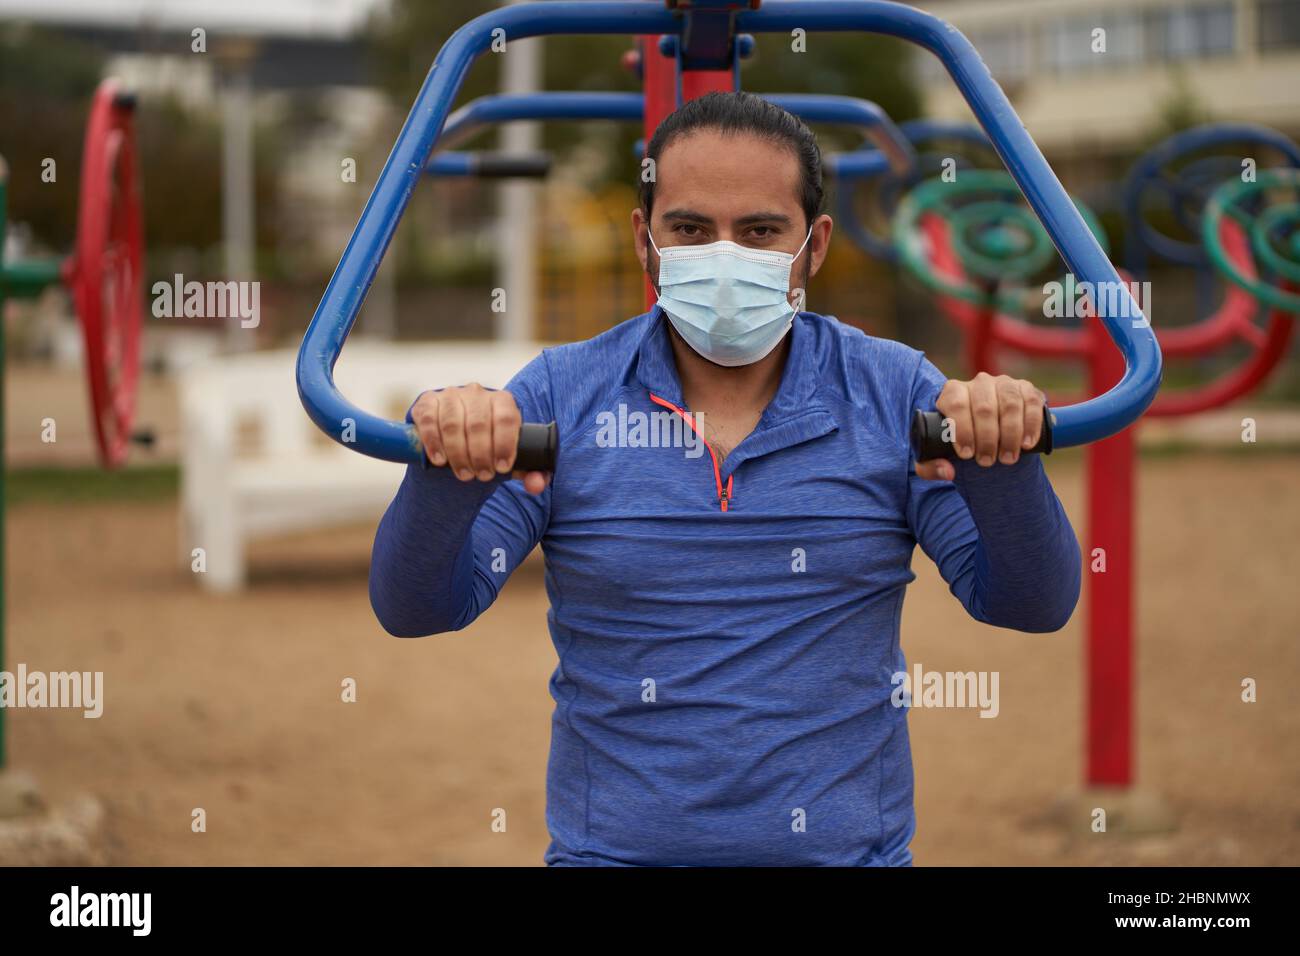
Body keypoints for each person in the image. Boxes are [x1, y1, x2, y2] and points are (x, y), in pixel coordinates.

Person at [369, 91, 1080, 866]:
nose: (725, 255)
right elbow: (417, 610)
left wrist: (1001, 458)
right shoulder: (561, 396)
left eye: (760, 231)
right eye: (691, 229)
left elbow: (1030, 604)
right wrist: (446, 465)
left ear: (815, 245)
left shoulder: (888, 390)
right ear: (646, 240)